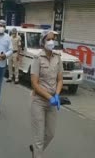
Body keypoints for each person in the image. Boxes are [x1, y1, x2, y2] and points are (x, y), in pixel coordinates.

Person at [30, 30, 63, 158]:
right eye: (48, 39)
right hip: (38, 101)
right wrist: (49, 97)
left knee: (50, 134)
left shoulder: (57, 58)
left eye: (53, 39)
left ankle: (36, 151)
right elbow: (34, 83)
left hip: (52, 101)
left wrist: (57, 95)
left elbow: (60, 79)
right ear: (43, 42)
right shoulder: (37, 58)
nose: (51, 42)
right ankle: (37, 154)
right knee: (39, 137)